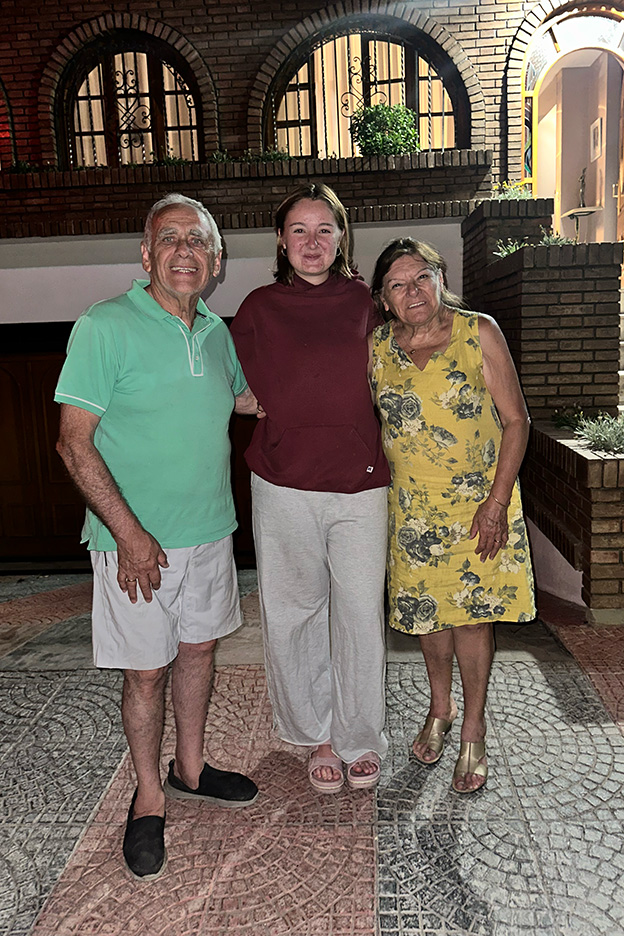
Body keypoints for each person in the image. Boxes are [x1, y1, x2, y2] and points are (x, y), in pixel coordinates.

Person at [55, 193, 260, 881]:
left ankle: (190, 770)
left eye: (197, 241)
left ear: (215, 260)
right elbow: (72, 443)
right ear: (146, 255)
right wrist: (130, 532)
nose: (183, 251)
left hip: (210, 532)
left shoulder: (216, 332)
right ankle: (148, 796)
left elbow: (243, 399)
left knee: (198, 652)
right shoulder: (104, 326)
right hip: (131, 546)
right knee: (146, 672)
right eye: (168, 238)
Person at [230, 182, 390, 793]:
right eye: (300, 230)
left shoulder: (368, 304)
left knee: (356, 614)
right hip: (282, 484)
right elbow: (223, 378)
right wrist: (247, 403)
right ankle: (315, 733)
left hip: (360, 485)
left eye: (325, 229)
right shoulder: (258, 307)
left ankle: (358, 735)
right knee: (294, 613)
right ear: (281, 240)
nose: (313, 242)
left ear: (342, 236)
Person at [370, 238, 536, 794]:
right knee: (428, 620)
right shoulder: (377, 348)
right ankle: (438, 710)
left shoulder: (477, 331)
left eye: (422, 276)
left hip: (478, 509)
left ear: (441, 277)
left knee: (470, 618)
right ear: (384, 298)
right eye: (398, 284)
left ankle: (472, 727)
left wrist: (495, 504)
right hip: (413, 512)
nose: (412, 291)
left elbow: (517, 422)